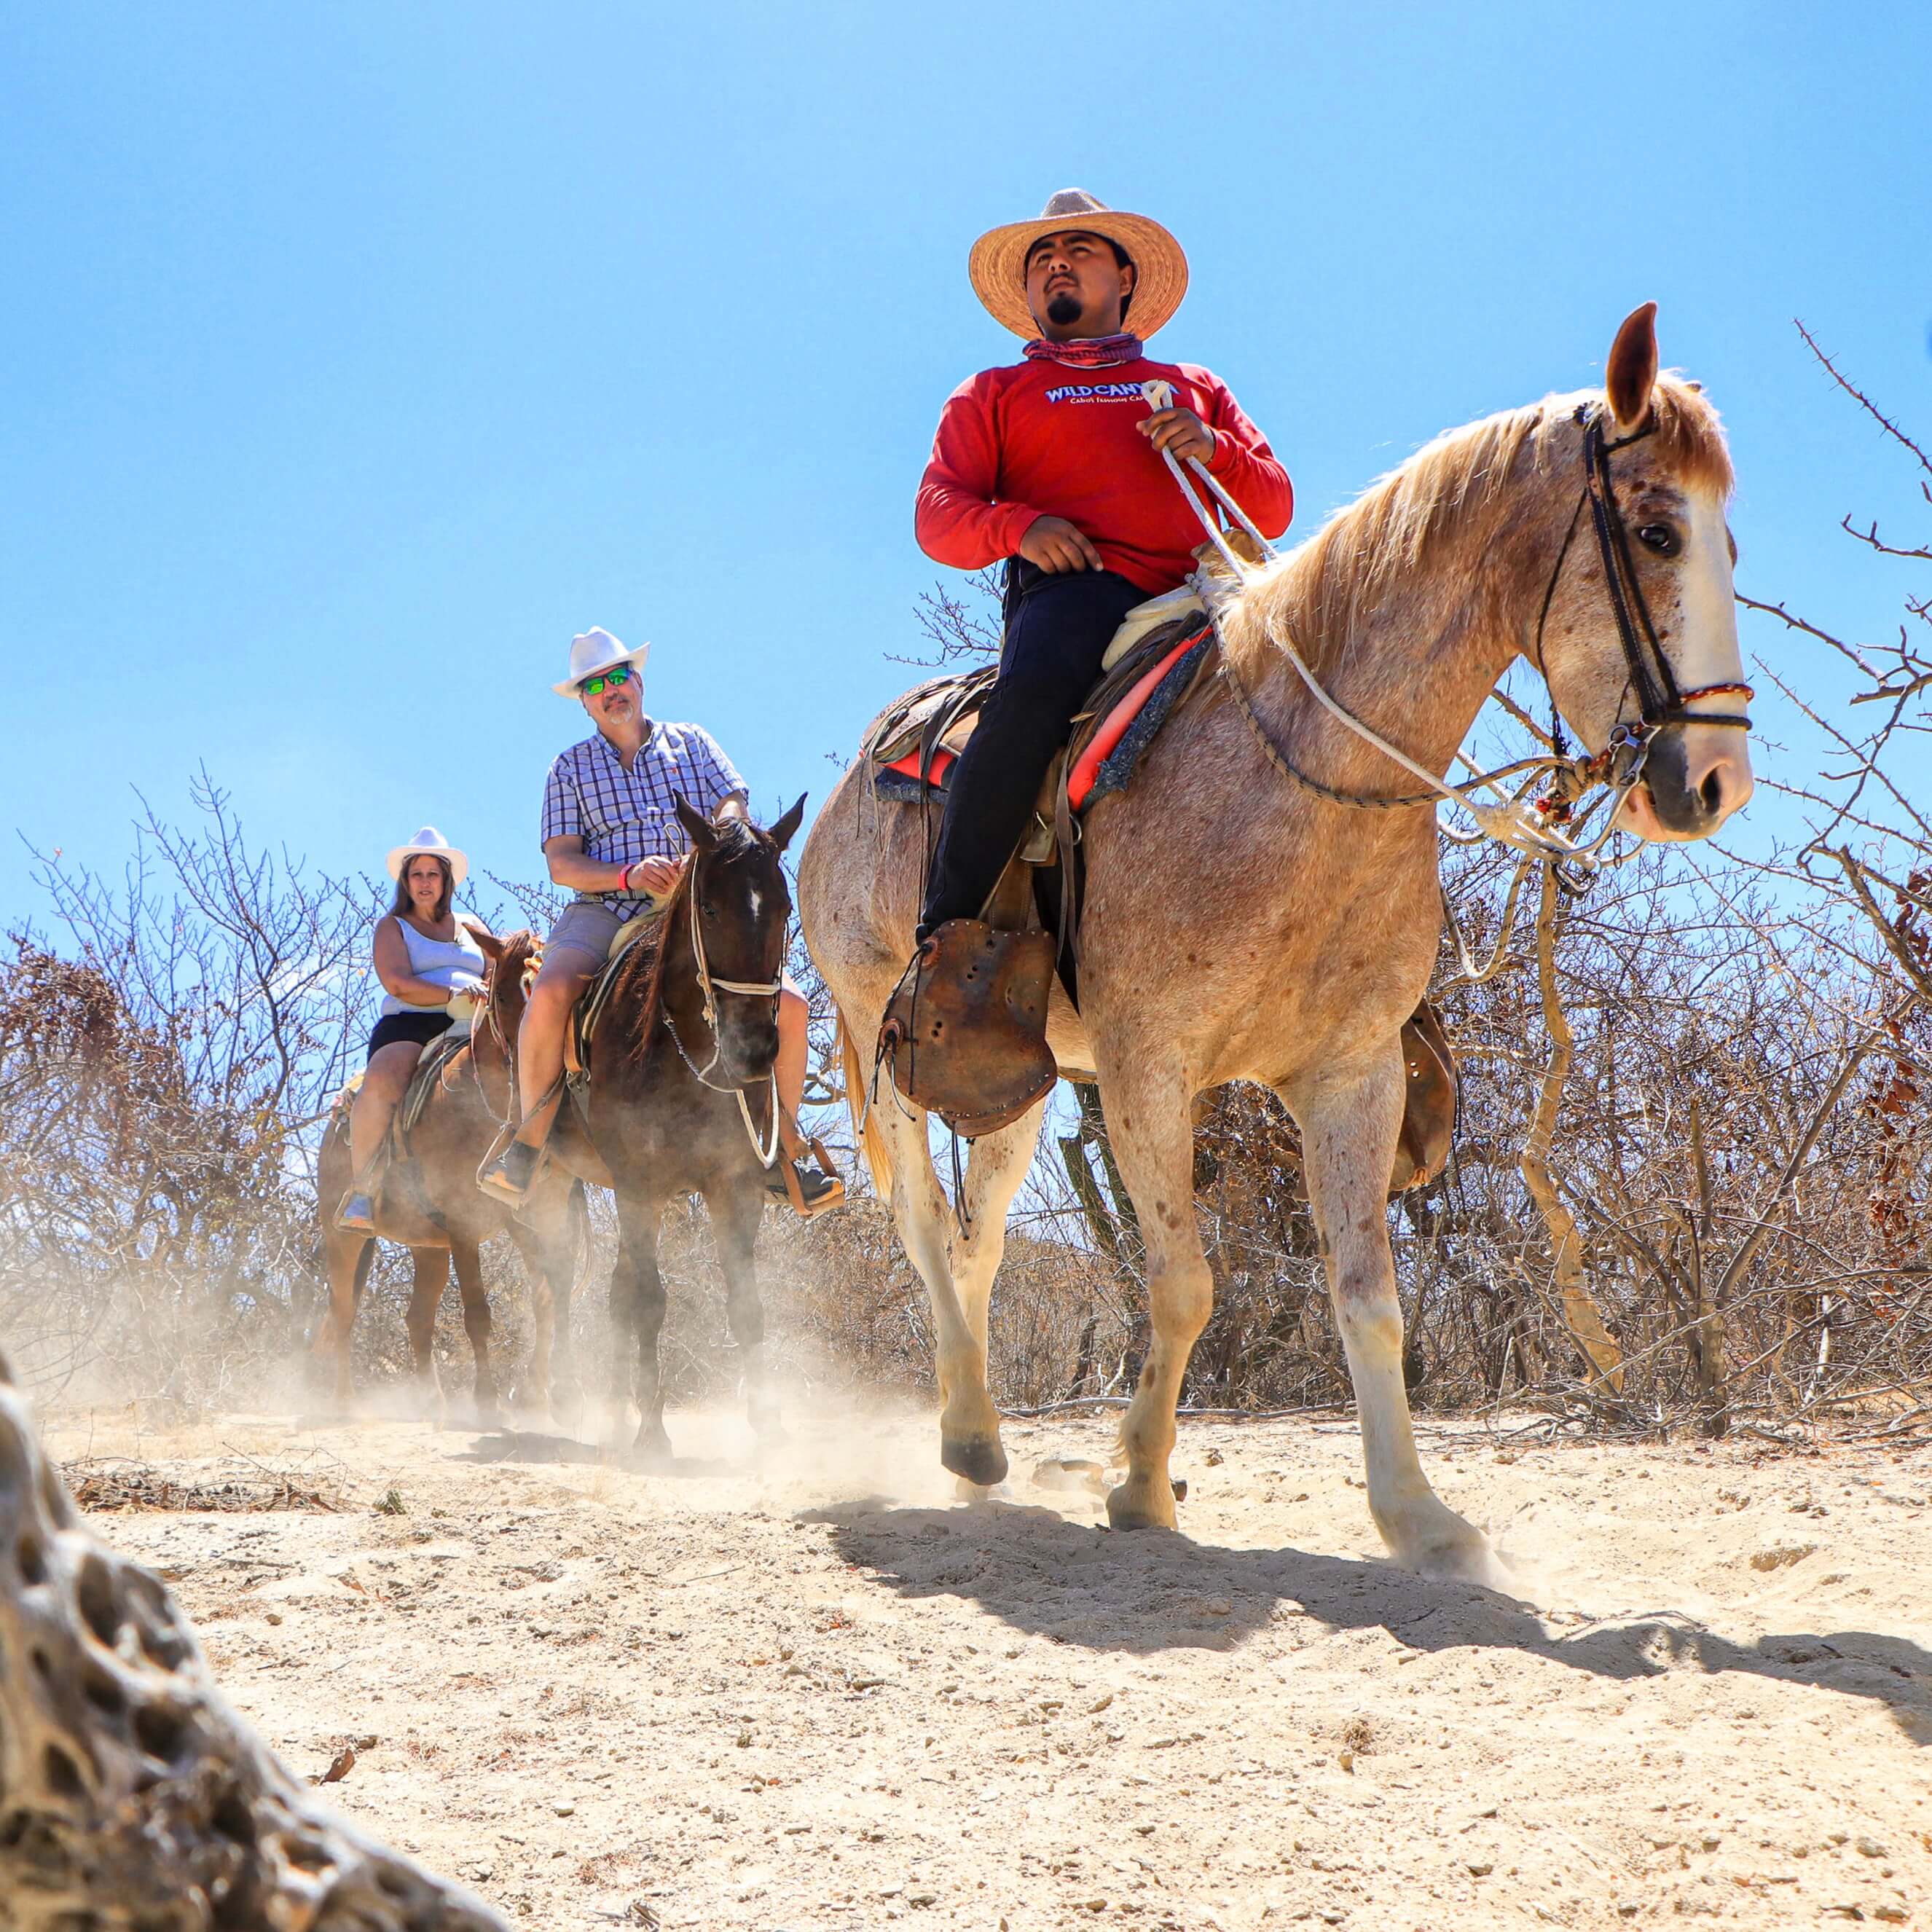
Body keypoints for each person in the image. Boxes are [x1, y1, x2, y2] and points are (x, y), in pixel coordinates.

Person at [912, 188, 1296, 941]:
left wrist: (1213, 448)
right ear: (1027, 291)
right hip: (1078, 595)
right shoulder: (995, 391)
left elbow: (1275, 507)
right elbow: (937, 514)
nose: (1057, 265)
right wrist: (1020, 527)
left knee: (1335, 691)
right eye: (1043, 259)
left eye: (1078, 251)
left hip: (1210, 590)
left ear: (1124, 279)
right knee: (1030, 700)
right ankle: (948, 938)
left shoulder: (1195, 386)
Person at [476, 627, 838, 1210]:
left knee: (790, 1004)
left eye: (619, 677)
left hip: (696, 906)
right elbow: (563, 863)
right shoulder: (568, 768)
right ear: (584, 701)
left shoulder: (691, 741)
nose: (611, 691)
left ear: (638, 682)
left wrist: (713, 843)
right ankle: (528, 1140)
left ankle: (785, 1147)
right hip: (607, 907)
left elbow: (732, 803)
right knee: (551, 990)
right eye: (596, 686)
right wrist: (628, 875)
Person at [336, 828, 492, 1232]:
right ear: (406, 882)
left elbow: (495, 970)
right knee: (385, 1079)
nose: (425, 882)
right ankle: (363, 1191)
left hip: (474, 1022)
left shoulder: (472, 923)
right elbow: (397, 983)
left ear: (447, 881)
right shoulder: (392, 927)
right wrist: (454, 991)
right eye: (417, 874)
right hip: (413, 1022)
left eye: (433, 874)